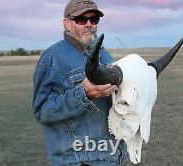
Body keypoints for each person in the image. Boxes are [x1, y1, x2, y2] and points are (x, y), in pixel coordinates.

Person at [33, 0, 129, 165]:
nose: (89, 24)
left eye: (94, 19)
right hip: (79, 161)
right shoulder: (52, 58)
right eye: (81, 19)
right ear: (67, 23)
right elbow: (42, 111)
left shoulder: (104, 55)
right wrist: (83, 94)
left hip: (115, 156)